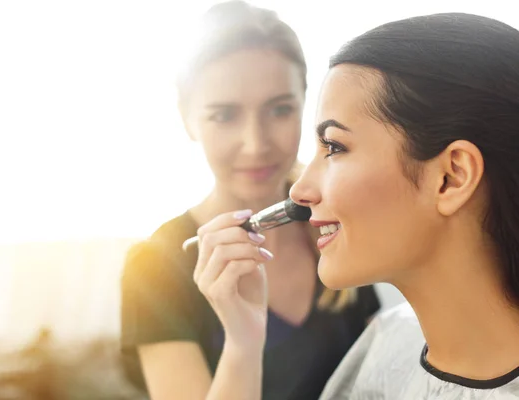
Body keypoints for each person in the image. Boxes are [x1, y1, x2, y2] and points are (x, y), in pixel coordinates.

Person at [191, 11, 519, 400]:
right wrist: (244, 342)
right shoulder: (383, 346)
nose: (299, 191)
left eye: (334, 147)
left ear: (451, 177)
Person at [119, 1, 381, 399]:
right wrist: (242, 342)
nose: (256, 144)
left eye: (279, 110)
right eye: (225, 116)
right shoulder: (157, 265)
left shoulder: (335, 224)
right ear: (187, 118)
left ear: (305, 105)